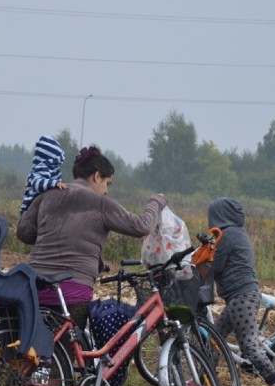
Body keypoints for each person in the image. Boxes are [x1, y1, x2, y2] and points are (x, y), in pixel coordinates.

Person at [16, 145, 167, 362]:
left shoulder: (47, 196)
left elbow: (24, 232)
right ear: (97, 176)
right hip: (71, 292)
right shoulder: (100, 203)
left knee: (26, 353)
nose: (106, 190)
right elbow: (142, 226)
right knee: (64, 358)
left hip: (33, 287)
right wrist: (156, 202)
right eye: (107, 183)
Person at [201, 197, 275, 386]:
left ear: (219, 216)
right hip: (239, 297)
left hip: (241, 296)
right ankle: (201, 380)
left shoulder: (228, 235)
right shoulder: (236, 233)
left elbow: (213, 265)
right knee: (215, 338)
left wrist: (196, 270)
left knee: (248, 346)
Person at [19, 135, 68, 216]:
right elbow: (36, 183)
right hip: (29, 210)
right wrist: (55, 183)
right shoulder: (42, 167)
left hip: (40, 208)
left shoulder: (52, 169)